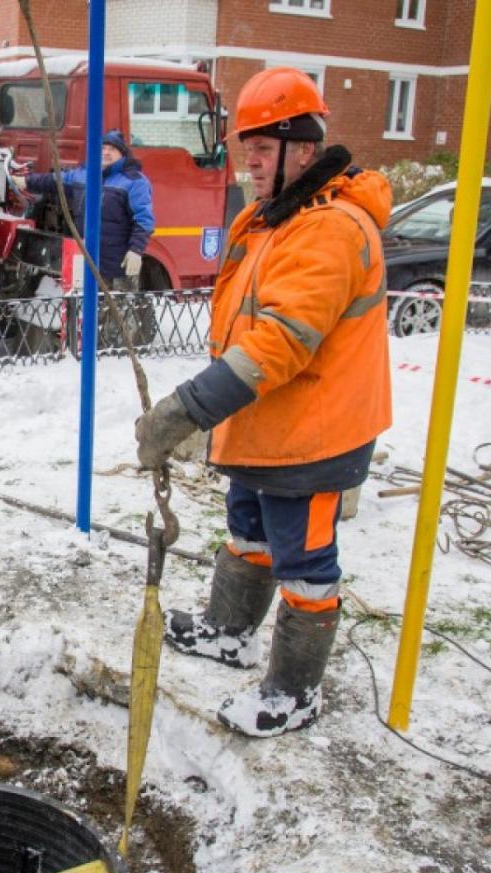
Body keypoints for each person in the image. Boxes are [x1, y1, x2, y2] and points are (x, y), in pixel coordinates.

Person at [134, 67, 392, 738]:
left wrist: (188, 408)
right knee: (247, 530)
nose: (249, 160)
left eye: (264, 147)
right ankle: (229, 630)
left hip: (315, 433)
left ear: (303, 148)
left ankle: (294, 691)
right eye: (246, 146)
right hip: (263, 421)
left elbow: (282, 340)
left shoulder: (331, 229)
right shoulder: (269, 219)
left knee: (305, 565)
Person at [14, 130, 154, 287]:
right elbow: (54, 181)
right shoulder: (83, 175)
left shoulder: (135, 182)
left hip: (117, 267)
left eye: (112, 149)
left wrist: (136, 250)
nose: (106, 152)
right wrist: (26, 182)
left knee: (116, 303)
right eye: (103, 148)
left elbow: (143, 220)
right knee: (84, 302)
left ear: (122, 154)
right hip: (85, 260)